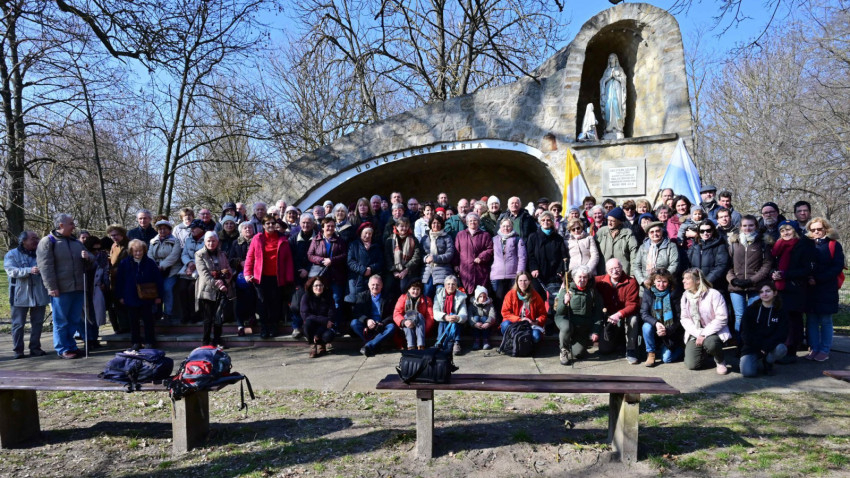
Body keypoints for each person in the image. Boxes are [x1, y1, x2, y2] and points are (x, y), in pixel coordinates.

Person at [36, 213, 93, 359]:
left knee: (74, 320)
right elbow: (45, 266)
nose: (74, 226)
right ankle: (63, 349)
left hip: (78, 287)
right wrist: (51, 287)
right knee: (61, 321)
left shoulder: (76, 242)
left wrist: (87, 257)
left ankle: (71, 346)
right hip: (60, 289)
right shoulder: (47, 242)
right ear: (61, 225)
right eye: (71, 223)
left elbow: (91, 260)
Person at [244, 214, 295, 338]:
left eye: (273, 223)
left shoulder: (283, 239)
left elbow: (288, 259)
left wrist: (289, 277)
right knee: (262, 303)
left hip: (277, 277)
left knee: (275, 303)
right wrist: (247, 273)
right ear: (263, 225)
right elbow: (250, 257)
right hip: (260, 277)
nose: (271, 226)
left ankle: (273, 326)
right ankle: (264, 327)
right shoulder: (257, 238)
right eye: (268, 224)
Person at [771, 220, 814, 363]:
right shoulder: (778, 246)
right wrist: (774, 274)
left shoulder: (802, 245)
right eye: (782, 230)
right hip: (780, 288)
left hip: (796, 288)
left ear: (794, 231)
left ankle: (791, 351)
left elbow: (806, 269)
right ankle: (782, 349)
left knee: (794, 321)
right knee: (783, 320)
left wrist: (785, 274)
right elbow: (773, 265)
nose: (785, 233)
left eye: (788, 230)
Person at [727, 215, 774, 340]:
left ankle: (755, 344)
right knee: (740, 316)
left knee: (755, 315)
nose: (748, 228)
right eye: (745, 225)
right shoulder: (733, 244)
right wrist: (733, 279)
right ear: (740, 227)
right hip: (736, 286)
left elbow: (767, 265)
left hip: (756, 286)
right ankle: (741, 344)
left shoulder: (763, 243)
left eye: (751, 225)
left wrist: (752, 280)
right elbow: (728, 265)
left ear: (756, 226)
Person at [4, 231, 49, 358]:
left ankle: (35, 348)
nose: (37, 240)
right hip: (20, 295)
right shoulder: (12, 254)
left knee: (38, 323)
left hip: (39, 294)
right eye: (33, 238)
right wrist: (29, 270)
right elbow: (11, 271)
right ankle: (18, 350)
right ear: (23, 241)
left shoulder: (42, 254)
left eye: (37, 238)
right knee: (18, 324)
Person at [805, 217, 844, 362]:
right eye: (813, 229)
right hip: (809, 288)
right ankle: (814, 348)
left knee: (826, 320)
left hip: (827, 288)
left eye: (819, 229)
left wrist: (818, 279)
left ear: (825, 229)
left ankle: (824, 349)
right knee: (811, 320)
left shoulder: (834, 245)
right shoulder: (806, 244)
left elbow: (837, 266)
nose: (816, 232)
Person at [680, 268, 732, 374]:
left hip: (713, 332)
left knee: (712, 344)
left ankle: (720, 360)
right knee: (692, 365)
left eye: (687, 279)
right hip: (695, 332)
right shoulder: (685, 296)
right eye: (683, 278)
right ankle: (704, 353)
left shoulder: (714, 294)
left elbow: (722, 318)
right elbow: (684, 318)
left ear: (698, 280)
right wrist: (698, 333)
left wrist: (704, 334)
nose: (683, 281)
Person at [116, 239, 163, 350]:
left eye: (140, 251)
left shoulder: (150, 263)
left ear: (144, 250)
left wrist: (159, 296)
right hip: (131, 296)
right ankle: (135, 342)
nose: (138, 253)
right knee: (133, 321)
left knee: (148, 320)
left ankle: (149, 341)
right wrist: (120, 296)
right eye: (135, 251)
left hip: (147, 297)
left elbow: (158, 280)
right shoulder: (124, 263)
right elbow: (119, 281)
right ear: (131, 251)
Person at [554, 265, 603, 364]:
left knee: (579, 354)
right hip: (565, 319)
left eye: (585, 277)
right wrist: (564, 301)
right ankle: (564, 350)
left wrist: (595, 331)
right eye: (579, 277)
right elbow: (559, 311)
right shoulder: (566, 290)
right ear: (574, 278)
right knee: (567, 327)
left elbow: (598, 313)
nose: (582, 279)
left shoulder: (592, 292)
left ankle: (573, 343)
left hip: (582, 326)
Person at [595, 258, 641, 362]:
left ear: (622, 268)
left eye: (617, 268)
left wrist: (619, 314)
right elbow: (583, 280)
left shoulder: (631, 282)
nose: (614, 271)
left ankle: (631, 349)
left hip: (625, 314)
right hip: (608, 316)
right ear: (606, 270)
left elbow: (633, 305)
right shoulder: (600, 281)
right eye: (611, 269)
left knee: (633, 319)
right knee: (605, 350)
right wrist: (565, 285)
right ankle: (618, 342)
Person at [526, 211, 568, 320]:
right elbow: (530, 255)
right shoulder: (533, 237)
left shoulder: (558, 238)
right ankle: (539, 321)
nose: (546, 222)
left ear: (552, 222)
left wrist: (560, 270)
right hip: (538, 275)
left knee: (553, 300)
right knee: (538, 299)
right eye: (543, 220)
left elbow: (563, 256)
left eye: (548, 220)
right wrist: (533, 268)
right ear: (540, 222)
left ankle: (552, 323)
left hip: (554, 274)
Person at [740, 283, 789, 377]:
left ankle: (768, 361)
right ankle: (755, 359)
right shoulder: (751, 310)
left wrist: (766, 347)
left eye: (768, 291)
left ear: (775, 293)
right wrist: (759, 347)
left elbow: (782, 333)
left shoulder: (781, 311)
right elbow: (745, 332)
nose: (764, 294)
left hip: (770, 347)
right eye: (761, 292)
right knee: (748, 373)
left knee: (781, 348)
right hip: (752, 346)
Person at [195, 232, 233, 347]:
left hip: (222, 289)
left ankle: (217, 340)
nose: (211, 243)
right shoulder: (199, 254)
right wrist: (217, 284)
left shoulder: (222, 254)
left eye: (213, 241)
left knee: (218, 317)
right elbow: (204, 274)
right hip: (207, 289)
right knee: (208, 318)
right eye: (208, 241)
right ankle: (205, 342)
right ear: (205, 242)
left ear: (217, 242)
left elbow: (228, 270)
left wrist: (225, 281)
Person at [640, 268, 684, 366]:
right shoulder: (648, 292)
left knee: (667, 359)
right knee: (646, 326)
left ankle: (682, 349)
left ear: (669, 282)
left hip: (670, 331)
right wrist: (656, 323)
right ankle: (651, 353)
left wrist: (667, 330)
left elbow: (679, 317)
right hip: (655, 327)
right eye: (658, 281)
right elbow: (644, 313)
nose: (661, 284)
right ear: (654, 281)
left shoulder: (674, 292)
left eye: (664, 281)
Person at [308, 217, 348, 311]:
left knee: (336, 300)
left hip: (335, 275)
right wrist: (322, 260)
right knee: (320, 300)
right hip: (320, 275)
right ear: (322, 227)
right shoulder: (316, 240)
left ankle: (335, 324)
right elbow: (310, 255)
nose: (330, 228)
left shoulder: (340, 240)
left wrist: (332, 260)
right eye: (328, 226)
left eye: (332, 226)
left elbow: (344, 255)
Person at [350, 275, 396, 356]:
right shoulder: (362, 296)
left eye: (378, 285)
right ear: (368, 285)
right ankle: (375, 344)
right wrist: (367, 320)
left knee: (391, 327)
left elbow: (392, 314)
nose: (375, 287)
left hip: (381, 326)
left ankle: (369, 345)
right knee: (354, 323)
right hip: (367, 325)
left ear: (382, 286)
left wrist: (383, 323)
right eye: (373, 284)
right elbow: (357, 312)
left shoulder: (388, 297)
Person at [490, 218, 526, 317]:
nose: (506, 228)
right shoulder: (494, 239)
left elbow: (522, 257)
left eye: (508, 226)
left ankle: (512, 320)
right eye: (504, 226)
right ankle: (499, 322)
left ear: (512, 227)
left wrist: (520, 274)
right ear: (500, 227)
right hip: (497, 275)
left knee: (512, 300)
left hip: (513, 275)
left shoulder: (517, 239)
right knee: (498, 300)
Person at [288, 213, 316, 338]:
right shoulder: (293, 239)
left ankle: (310, 327)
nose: (306, 225)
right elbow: (290, 258)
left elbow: (319, 255)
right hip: (298, 276)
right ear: (300, 224)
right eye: (303, 223)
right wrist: (300, 270)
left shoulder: (318, 238)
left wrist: (308, 270)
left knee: (312, 302)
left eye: (308, 222)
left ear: (313, 224)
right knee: (296, 304)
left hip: (314, 275)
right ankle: (296, 326)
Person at [148, 219, 182, 322]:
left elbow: (174, 256)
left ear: (169, 230)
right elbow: (150, 255)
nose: (162, 231)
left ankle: (168, 313)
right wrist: (154, 267)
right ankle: (154, 313)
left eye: (164, 229)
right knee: (153, 290)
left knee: (167, 288)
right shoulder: (153, 241)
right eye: (160, 229)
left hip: (171, 270)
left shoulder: (175, 241)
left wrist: (162, 266)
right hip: (156, 270)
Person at [501, 271, 547, 346]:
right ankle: (513, 344)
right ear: (517, 282)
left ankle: (526, 345)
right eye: (520, 281)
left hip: (530, 325)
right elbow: (505, 313)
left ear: (529, 282)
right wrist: (520, 320)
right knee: (505, 325)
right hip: (514, 324)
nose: (523, 283)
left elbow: (543, 314)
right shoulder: (510, 294)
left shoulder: (535, 295)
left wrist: (536, 322)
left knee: (536, 336)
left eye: (525, 280)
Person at [383, 216, 422, 303]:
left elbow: (416, 257)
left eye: (406, 226)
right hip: (393, 270)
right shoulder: (390, 240)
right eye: (401, 226)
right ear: (396, 227)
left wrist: (406, 270)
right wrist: (394, 271)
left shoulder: (413, 239)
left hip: (408, 270)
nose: (403, 228)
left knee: (403, 287)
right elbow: (387, 256)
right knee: (388, 287)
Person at [453, 212, 494, 292]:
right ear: (467, 223)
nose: (472, 222)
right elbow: (456, 251)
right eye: (470, 221)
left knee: (480, 293)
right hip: (465, 270)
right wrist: (455, 264)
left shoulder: (485, 235)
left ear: (478, 222)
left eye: (475, 220)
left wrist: (481, 257)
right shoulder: (460, 235)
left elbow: (490, 249)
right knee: (465, 293)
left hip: (480, 269)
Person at [229, 221, 256, 336]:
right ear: (241, 231)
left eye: (250, 227)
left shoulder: (257, 241)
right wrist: (240, 262)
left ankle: (251, 319)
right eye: (245, 228)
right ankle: (240, 325)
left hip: (255, 274)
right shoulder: (236, 243)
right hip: (240, 275)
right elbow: (230, 259)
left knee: (253, 297)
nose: (248, 229)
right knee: (240, 299)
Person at [634, 221, 680, 290]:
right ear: (648, 234)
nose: (655, 234)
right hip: (646, 285)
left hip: (664, 285)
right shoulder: (642, 247)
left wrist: (662, 280)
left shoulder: (671, 246)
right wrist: (643, 281)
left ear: (662, 232)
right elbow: (636, 265)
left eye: (657, 231)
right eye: (652, 232)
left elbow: (674, 264)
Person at [686, 221, 730, 291]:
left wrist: (706, 282)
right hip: (696, 285)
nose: (705, 233)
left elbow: (721, 266)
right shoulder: (695, 245)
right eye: (702, 231)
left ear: (713, 231)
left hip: (714, 286)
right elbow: (688, 264)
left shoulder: (720, 245)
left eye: (708, 230)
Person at [595, 207, 638, 276]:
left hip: (623, 273)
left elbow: (634, 254)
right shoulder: (601, 232)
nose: (609, 223)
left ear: (619, 221)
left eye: (613, 221)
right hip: (603, 272)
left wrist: (632, 274)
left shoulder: (627, 233)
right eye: (608, 220)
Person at [300, 276, 337, 358]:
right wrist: (324, 320)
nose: (318, 287)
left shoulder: (328, 297)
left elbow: (331, 314)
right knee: (307, 324)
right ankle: (313, 345)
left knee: (328, 335)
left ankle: (321, 344)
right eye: (316, 285)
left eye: (320, 285)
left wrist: (318, 333)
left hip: (324, 326)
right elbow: (305, 315)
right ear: (311, 287)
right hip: (312, 325)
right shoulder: (306, 297)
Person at [177, 220, 206, 324]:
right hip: (188, 268)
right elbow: (184, 254)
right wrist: (189, 263)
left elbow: (205, 255)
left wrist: (194, 264)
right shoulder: (188, 240)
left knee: (192, 289)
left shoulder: (207, 239)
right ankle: (185, 315)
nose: (192, 230)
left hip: (201, 269)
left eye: (194, 228)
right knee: (182, 289)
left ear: (201, 229)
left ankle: (196, 314)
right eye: (191, 228)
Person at [347, 222, 384, 302]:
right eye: (365, 233)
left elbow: (380, 261)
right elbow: (350, 262)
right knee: (355, 300)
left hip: (371, 277)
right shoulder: (354, 245)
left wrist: (371, 268)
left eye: (370, 233)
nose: (367, 235)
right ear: (361, 233)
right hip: (356, 278)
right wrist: (363, 270)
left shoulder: (376, 246)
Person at [421, 215, 455, 299]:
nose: (436, 225)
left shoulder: (447, 237)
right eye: (433, 223)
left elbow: (449, 254)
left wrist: (435, 258)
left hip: (443, 270)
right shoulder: (425, 238)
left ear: (442, 224)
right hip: (428, 270)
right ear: (430, 224)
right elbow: (420, 254)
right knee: (427, 292)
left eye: (438, 223)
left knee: (441, 294)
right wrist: (425, 258)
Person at [393, 280, 434, 350]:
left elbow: (430, 317)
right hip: (407, 327)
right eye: (413, 289)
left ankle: (421, 345)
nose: (415, 291)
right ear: (409, 289)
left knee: (420, 315)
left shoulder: (427, 300)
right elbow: (396, 313)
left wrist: (423, 329)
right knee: (406, 316)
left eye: (418, 289)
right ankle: (411, 346)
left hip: (420, 326)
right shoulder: (403, 298)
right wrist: (404, 322)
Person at [433, 275, 468, 354]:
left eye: (453, 284)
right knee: (442, 321)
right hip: (443, 320)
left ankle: (456, 343)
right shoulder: (438, 295)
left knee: (454, 320)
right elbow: (435, 312)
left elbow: (464, 314)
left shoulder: (461, 296)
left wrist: (457, 317)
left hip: (455, 321)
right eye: (448, 284)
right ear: (445, 285)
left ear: (456, 286)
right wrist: (445, 316)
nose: (450, 286)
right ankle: (440, 342)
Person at [106, 225, 130, 333]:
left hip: (126, 279)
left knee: (126, 303)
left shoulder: (130, 245)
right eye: (112, 235)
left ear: (122, 234)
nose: (114, 237)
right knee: (115, 304)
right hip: (114, 279)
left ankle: (128, 326)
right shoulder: (113, 246)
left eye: (116, 235)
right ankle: (119, 327)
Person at [600, 53, 626, 138]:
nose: (611, 59)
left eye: (612, 58)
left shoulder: (620, 69)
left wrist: (616, 78)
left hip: (617, 89)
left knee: (617, 104)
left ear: (616, 59)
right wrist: (608, 77)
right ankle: (609, 126)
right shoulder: (606, 71)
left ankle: (618, 127)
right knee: (608, 105)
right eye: (610, 58)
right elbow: (602, 81)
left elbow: (624, 80)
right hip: (608, 89)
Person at [468, 285, 496, 350]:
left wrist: (488, 323)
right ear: (477, 297)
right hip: (475, 325)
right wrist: (474, 323)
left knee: (484, 318)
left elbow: (492, 315)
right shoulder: (472, 304)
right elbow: (470, 315)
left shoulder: (490, 304)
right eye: (480, 297)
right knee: (476, 317)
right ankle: (476, 340)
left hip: (486, 325)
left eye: (484, 297)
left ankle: (485, 340)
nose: (482, 299)